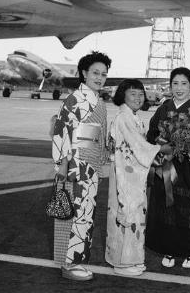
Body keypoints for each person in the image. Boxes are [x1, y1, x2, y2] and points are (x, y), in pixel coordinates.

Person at [51, 51, 112, 281]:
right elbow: (62, 132)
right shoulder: (75, 99)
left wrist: (104, 155)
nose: (100, 77)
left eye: (104, 74)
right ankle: (68, 263)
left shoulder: (98, 100)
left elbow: (100, 135)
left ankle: (79, 260)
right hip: (76, 164)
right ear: (84, 73)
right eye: (95, 73)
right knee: (75, 213)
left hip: (92, 164)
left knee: (86, 214)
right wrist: (62, 165)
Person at [105, 79, 172, 276]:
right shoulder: (124, 118)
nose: (137, 97)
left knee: (133, 215)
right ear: (123, 96)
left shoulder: (132, 117)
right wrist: (161, 149)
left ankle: (131, 258)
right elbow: (137, 146)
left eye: (140, 94)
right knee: (128, 214)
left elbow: (137, 148)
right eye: (132, 93)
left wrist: (154, 157)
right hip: (125, 175)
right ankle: (123, 262)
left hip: (132, 173)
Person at [145, 67, 190, 269]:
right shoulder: (164, 107)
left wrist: (181, 151)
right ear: (170, 86)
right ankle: (169, 249)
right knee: (163, 207)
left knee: (183, 208)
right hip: (163, 165)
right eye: (175, 83)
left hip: (185, 169)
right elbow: (152, 133)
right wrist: (160, 144)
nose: (179, 88)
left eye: (184, 83)